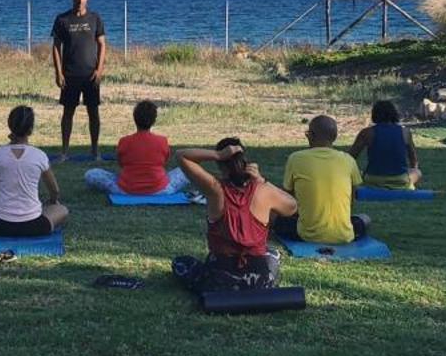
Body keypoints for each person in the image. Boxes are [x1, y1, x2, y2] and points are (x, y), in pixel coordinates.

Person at [172, 138, 298, 292]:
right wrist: (262, 180)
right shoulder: (263, 191)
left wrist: (217, 154)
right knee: (272, 254)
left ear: (220, 165)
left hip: (220, 281)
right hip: (259, 282)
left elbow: (181, 155)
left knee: (181, 263)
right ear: (245, 161)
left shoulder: (215, 190)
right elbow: (292, 206)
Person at [0, 106, 68, 237]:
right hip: (35, 226)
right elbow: (55, 190)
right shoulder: (39, 155)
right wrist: (53, 202)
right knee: (62, 209)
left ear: (10, 125)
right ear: (31, 130)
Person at [272, 115, 371, 245]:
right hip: (345, 235)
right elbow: (351, 201)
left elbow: (287, 200)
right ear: (334, 137)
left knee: (271, 214)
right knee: (366, 218)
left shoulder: (296, 159)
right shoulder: (349, 160)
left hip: (306, 234)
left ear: (311, 135)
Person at [83, 100, 190, 196]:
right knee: (187, 170)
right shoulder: (162, 141)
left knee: (91, 174)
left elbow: (121, 164)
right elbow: (163, 163)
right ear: (153, 120)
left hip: (125, 189)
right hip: (161, 190)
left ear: (135, 118)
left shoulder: (124, 141)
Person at [51, 0, 108, 161]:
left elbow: (102, 44)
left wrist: (99, 70)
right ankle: (65, 152)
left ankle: (94, 150)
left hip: (90, 75)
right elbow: (55, 47)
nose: (80, 0)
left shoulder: (95, 18)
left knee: (94, 113)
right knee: (68, 113)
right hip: (69, 75)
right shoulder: (62, 19)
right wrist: (58, 73)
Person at [349, 100, 421, 189]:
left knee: (356, 172)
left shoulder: (367, 132)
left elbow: (351, 157)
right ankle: (404, 185)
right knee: (417, 172)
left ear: (374, 114)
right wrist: (413, 170)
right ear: (394, 114)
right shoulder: (405, 132)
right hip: (400, 179)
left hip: (372, 179)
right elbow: (413, 158)